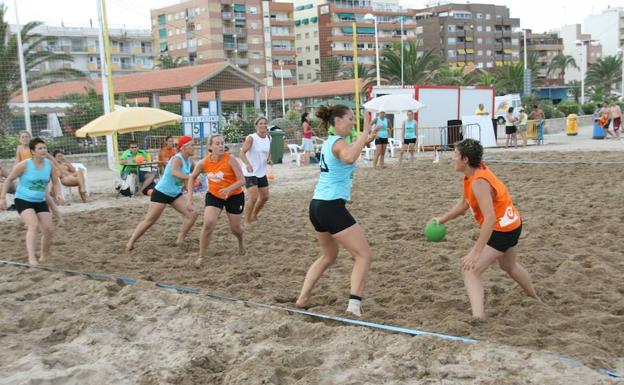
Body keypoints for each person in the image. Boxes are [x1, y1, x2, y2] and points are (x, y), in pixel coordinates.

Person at [432, 139, 540, 318]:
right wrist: (443, 219)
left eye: (455, 155)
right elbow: (464, 204)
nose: (452, 158)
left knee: (470, 270)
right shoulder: (473, 173)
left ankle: (478, 319)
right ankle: (535, 299)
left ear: (465, 159)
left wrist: (476, 252)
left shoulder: (479, 182)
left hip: (502, 230)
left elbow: (490, 219)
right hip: (512, 223)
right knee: (509, 266)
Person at [295, 104, 378, 317]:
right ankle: (353, 307)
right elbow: (348, 157)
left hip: (317, 206)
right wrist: (364, 132)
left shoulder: (332, 142)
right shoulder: (339, 143)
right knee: (364, 256)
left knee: (328, 256)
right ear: (338, 121)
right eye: (350, 118)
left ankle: (303, 298)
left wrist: (365, 139)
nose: (353, 122)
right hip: (330, 206)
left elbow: (348, 154)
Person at [126, 136, 198, 251]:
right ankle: (130, 242)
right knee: (150, 221)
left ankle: (180, 239)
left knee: (192, 214)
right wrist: (191, 178)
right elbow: (175, 173)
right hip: (161, 193)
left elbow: (196, 173)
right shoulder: (177, 159)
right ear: (184, 147)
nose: (195, 147)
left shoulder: (189, 161)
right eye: (192, 145)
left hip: (175, 194)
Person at [0, 137, 64, 266]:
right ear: (33, 151)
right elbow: (9, 179)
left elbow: (56, 181)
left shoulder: (49, 164)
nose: (43, 150)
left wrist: (57, 194)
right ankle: (31, 258)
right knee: (33, 225)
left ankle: (44, 255)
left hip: (39, 200)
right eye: (40, 148)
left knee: (49, 229)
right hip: (23, 199)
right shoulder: (24, 165)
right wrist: (2, 198)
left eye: (45, 148)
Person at [188, 134, 246, 263]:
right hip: (215, 195)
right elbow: (192, 177)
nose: (221, 146)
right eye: (217, 143)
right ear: (210, 146)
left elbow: (242, 180)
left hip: (234, 195)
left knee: (235, 229)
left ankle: (240, 241)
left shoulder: (230, 159)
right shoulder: (204, 162)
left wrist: (228, 189)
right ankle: (201, 256)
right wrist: (189, 199)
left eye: (222, 143)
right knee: (208, 223)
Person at [15, 130, 62, 219]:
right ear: (19, 139)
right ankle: (31, 218)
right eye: (23, 137)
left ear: (30, 138)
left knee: (47, 195)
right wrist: (15, 171)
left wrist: (58, 167)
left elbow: (50, 157)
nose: (25, 138)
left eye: (26, 136)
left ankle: (57, 215)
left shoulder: (36, 147)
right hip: (28, 175)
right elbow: (17, 162)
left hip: (39, 174)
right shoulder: (19, 148)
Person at [239, 117, 272, 224]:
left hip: (261, 172)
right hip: (250, 172)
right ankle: (247, 220)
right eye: (260, 123)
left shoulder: (269, 138)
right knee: (253, 198)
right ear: (256, 125)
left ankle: (254, 214)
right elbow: (242, 153)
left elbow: (268, 152)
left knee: (265, 197)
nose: (263, 125)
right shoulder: (251, 138)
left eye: (265, 123)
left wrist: (269, 159)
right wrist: (247, 164)